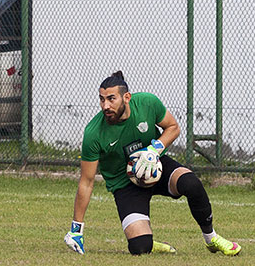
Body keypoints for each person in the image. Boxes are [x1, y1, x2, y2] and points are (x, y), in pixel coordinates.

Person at [63, 71, 242, 256]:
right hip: (125, 184)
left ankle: (211, 238)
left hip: (156, 165)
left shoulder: (147, 103)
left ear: (127, 97)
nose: (105, 106)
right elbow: (87, 182)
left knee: (191, 184)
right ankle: (150, 243)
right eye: (101, 99)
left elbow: (173, 127)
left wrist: (153, 150)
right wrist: (76, 229)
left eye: (111, 99)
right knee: (140, 248)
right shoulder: (94, 133)